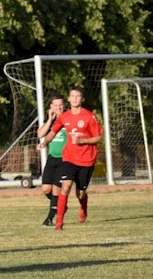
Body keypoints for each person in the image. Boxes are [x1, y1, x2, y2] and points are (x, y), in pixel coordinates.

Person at [37, 86, 103, 230]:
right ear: (69, 99)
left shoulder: (89, 116)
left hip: (86, 159)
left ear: (82, 99)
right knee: (65, 187)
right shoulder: (64, 116)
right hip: (69, 158)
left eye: (77, 96)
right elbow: (52, 132)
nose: (74, 98)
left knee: (80, 193)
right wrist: (44, 143)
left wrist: (82, 141)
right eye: (72, 96)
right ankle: (59, 223)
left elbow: (98, 136)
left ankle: (83, 206)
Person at [36, 94, 67, 226]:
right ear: (51, 107)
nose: (58, 107)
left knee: (56, 190)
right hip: (52, 158)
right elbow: (40, 134)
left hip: (65, 159)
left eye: (60, 104)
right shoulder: (50, 120)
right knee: (46, 189)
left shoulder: (68, 119)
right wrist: (49, 119)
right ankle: (60, 204)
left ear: (64, 105)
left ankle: (49, 219)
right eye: (55, 105)